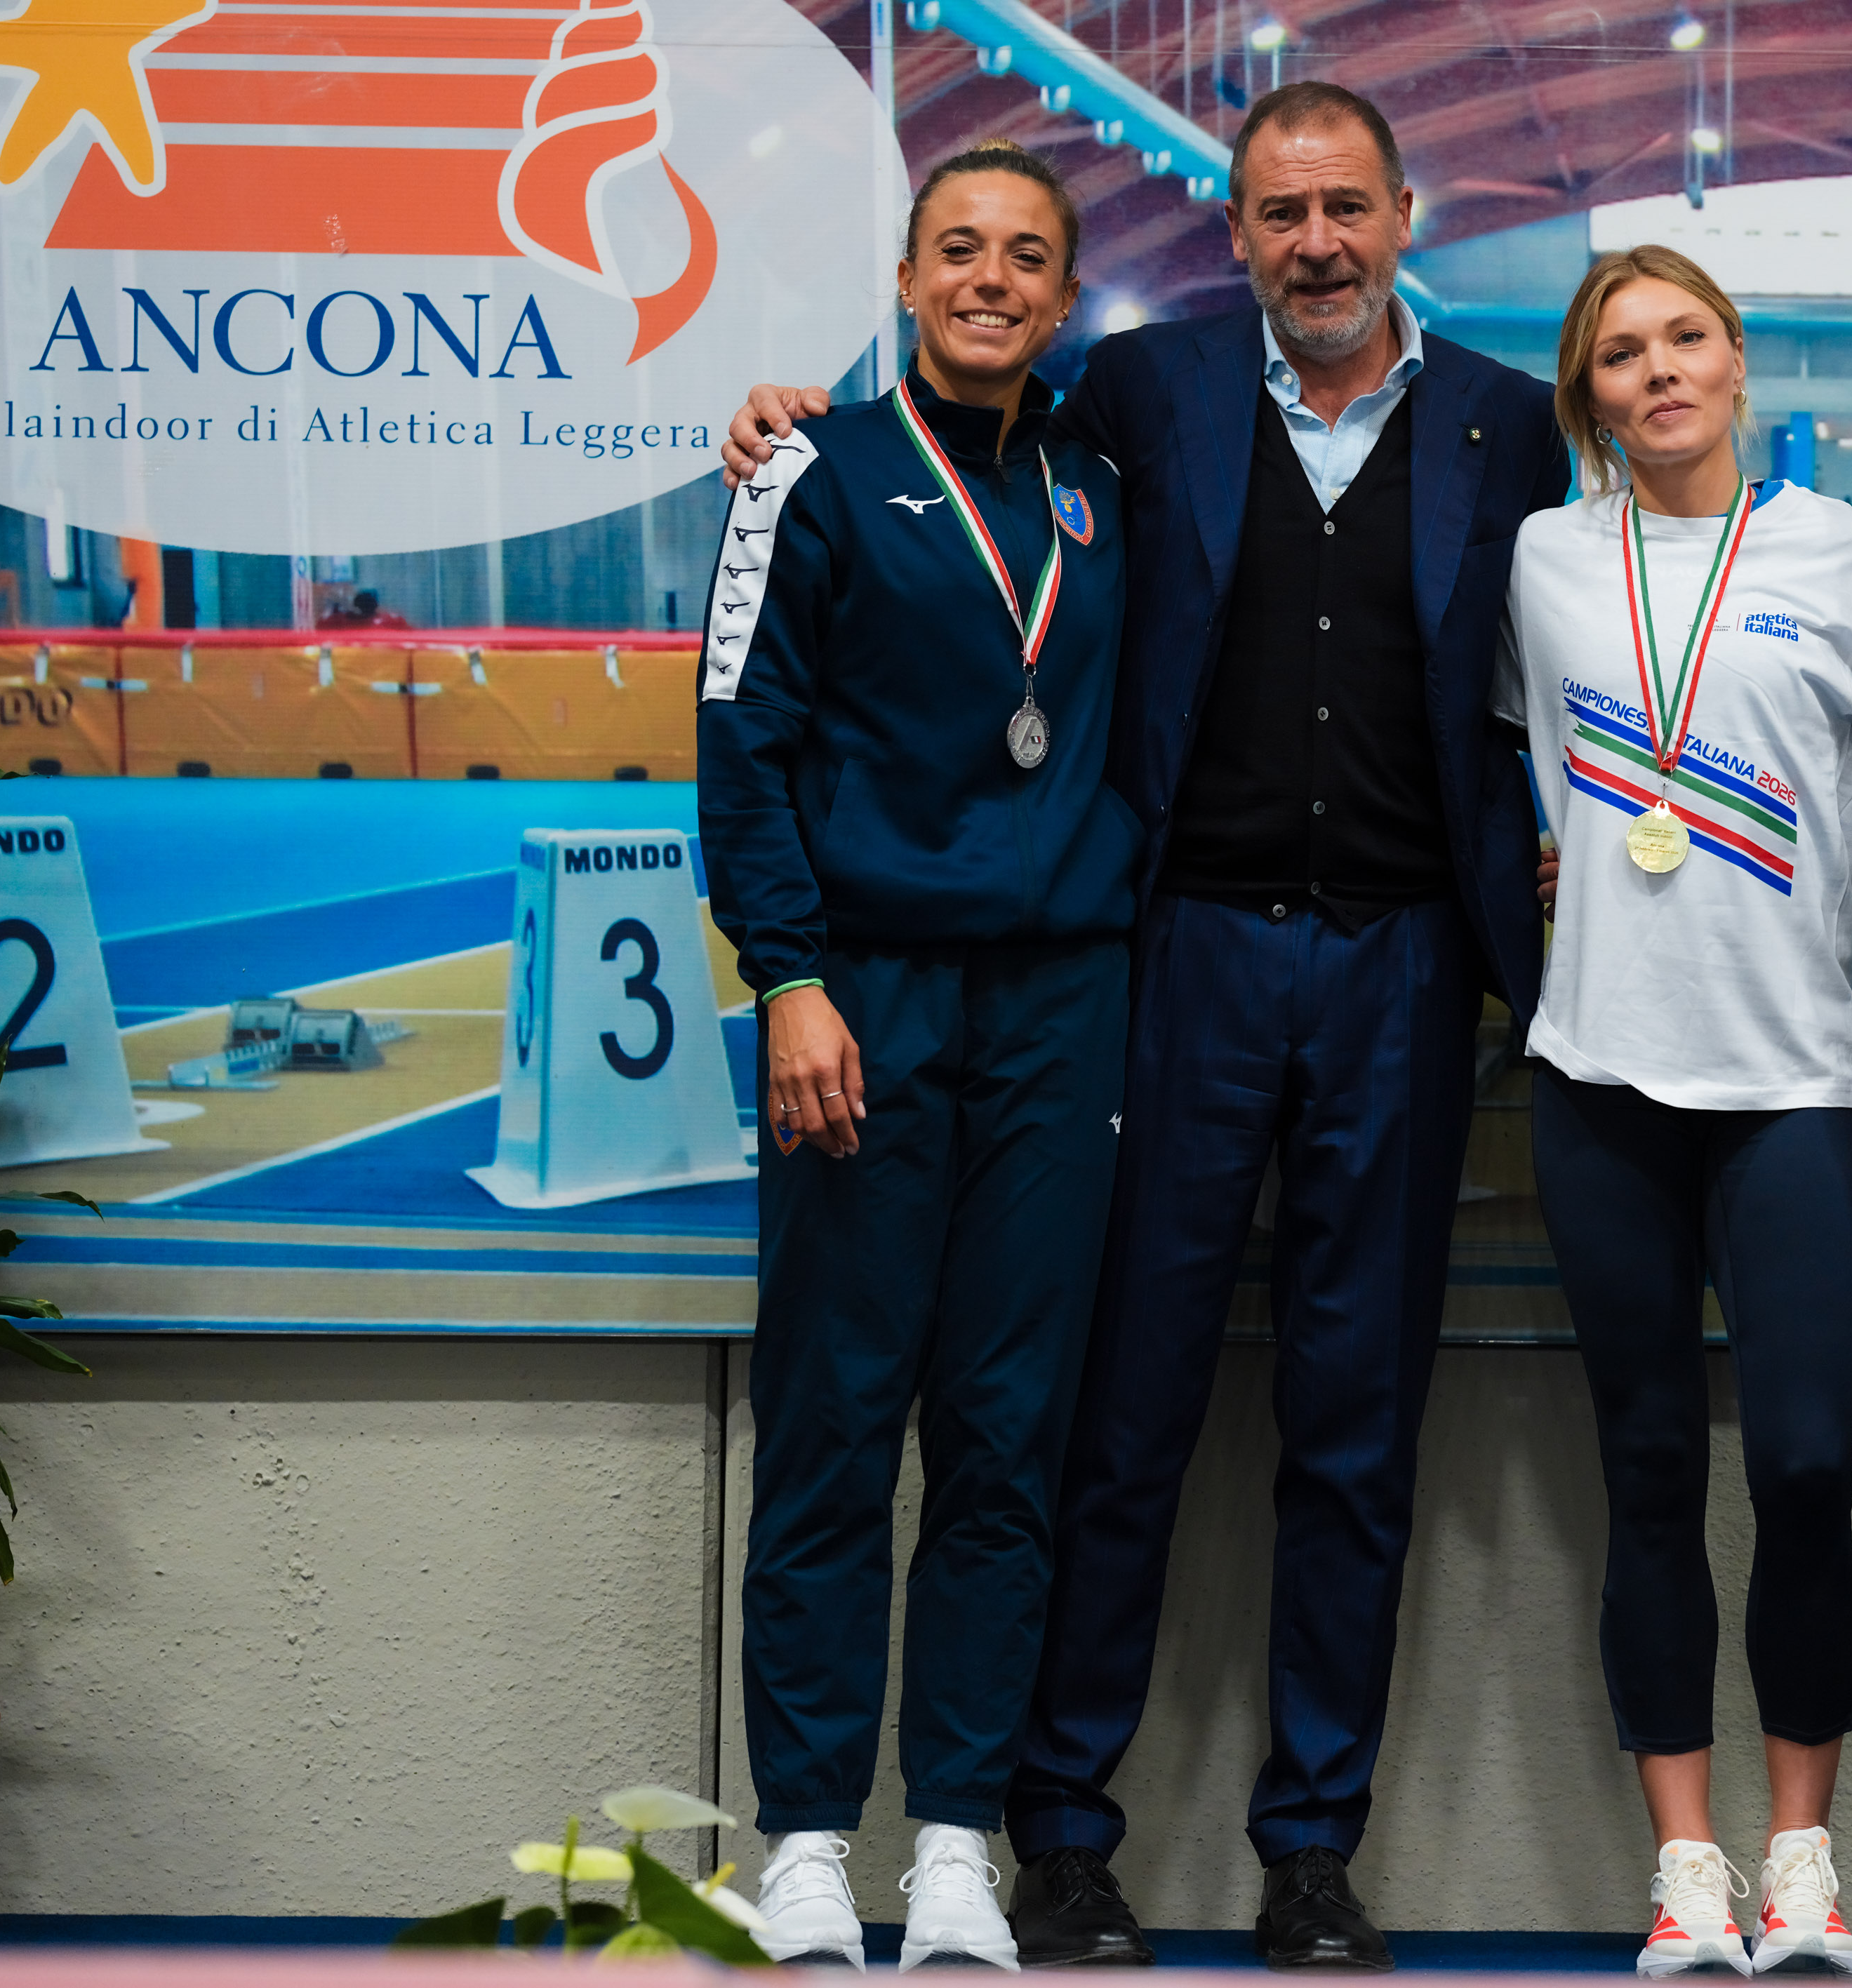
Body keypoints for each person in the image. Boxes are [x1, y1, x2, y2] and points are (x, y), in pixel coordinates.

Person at [724, 84, 1566, 1968]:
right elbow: (938, 460)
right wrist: (786, 426)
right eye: (1279, 214)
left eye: (1346, 208)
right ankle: (1053, 1835)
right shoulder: (1146, 397)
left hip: (1402, 969)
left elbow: (1574, 656)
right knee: (1111, 1420)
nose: (1317, 244)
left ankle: (1311, 1849)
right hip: (1174, 964)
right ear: (1234, 234)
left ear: (1405, 214)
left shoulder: (1508, 423)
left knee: (1353, 1431)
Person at [696, 138, 1140, 1971]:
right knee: (832, 1421)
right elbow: (741, 739)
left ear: (1064, 297)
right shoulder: (805, 472)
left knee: (1006, 1438)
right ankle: (806, 1837)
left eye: (1026, 256)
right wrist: (789, 978)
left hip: (1060, 1007)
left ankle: (954, 1837)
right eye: (958, 247)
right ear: (904, 278)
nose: (990, 279)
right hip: (864, 1001)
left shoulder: (1099, 485)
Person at [1495, 246, 1852, 1980]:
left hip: (1792, 1075)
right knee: (1650, 1467)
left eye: (1684, 340)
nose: (1657, 371)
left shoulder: (1848, 554)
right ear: (1587, 394)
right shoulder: (1541, 559)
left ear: (1736, 361)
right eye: (1620, 353)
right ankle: (1687, 1869)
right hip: (1599, 1072)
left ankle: (1801, 1855)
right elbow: (1514, 766)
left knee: (1804, 1468)